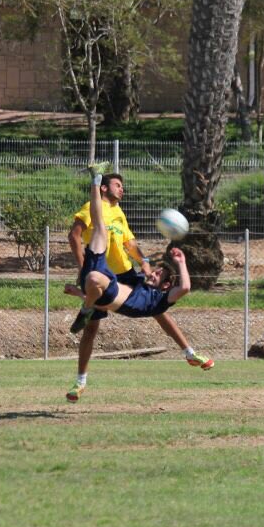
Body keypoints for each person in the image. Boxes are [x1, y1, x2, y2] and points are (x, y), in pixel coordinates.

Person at [65, 168, 211, 403]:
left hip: (124, 272)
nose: (122, 189)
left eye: (122, 186)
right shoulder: (91, 207)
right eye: (117, 185)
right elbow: (74, 236)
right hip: (100, 271)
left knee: (159, 308)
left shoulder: (118, 212)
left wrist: (143, 261)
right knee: (91, 329)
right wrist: (83, 269)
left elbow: (129, 243)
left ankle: (189, 353)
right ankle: (80, 381)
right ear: (104, 188)